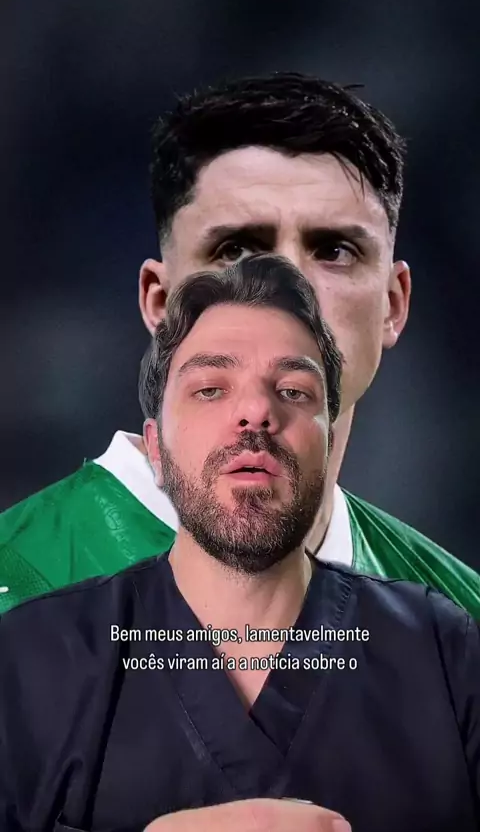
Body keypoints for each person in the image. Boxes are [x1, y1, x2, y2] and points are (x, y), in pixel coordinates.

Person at [1, 255, 479, 832]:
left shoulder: (447, 655)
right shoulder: (29, 661)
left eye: (293, 390)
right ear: (155, 448)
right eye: (209, 389)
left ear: (331, 446)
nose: (256, 412)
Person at [0, 72, 478, 617]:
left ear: (393, 304)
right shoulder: (21, 587)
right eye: (237, 250)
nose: (290, 287)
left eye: (334, 251)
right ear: (160, 303)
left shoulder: (460, 622)